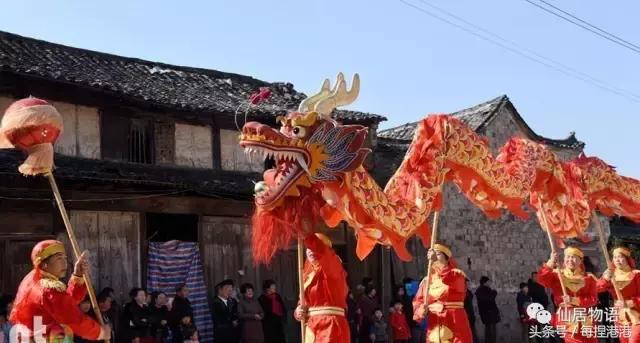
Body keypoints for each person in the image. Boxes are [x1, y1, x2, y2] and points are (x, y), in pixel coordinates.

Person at [9, 240, 109, 342]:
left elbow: (67, 303)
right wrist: (100, 332)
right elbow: (71, 316)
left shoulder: (34, 281)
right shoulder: (47, 288)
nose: (64, 263)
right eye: (59, 258)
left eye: (65, 258)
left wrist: (77, 276)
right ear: (44, 264)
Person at [294, 233, 350, 342]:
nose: (310, 250)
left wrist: (306, 234)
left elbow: (323, 252)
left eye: (312, 247)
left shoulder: (334, 267)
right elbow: (303, 303)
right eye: (307, 248)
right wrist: (298, 311)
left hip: (330, 326)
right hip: (312, 327)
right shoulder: (307, 275)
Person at [413, 243, 472, 343]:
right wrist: (421, 310)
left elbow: (450, 280)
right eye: (432, 254)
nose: (434, 257)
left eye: (438, 254)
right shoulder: (427, 281)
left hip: (453, 320)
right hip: (434, 322)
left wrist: (437, 263)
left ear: (447, 258)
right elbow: (418, 301)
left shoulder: (457, 274)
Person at [537, 246, 597, 343]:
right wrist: (551, 262)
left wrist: (573, 300)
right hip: (567, 317)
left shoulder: (589, 278)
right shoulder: (557, 275)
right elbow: (541, 279)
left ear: (580, 260)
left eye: (573, 257)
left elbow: (593, 299)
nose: (570, 260)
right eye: (567, 257)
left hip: (586, 318)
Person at [597, 246, 640, 343]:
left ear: (627, 259)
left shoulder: (637, 274)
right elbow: (596, 290)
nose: (617, 260)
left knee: (634, 339)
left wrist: (630, 302)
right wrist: (605, 279)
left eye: (620, 257)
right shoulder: (610, 275)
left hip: (637, 315)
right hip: (620, 317)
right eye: (615, 257)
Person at [475, 276, 500, 343]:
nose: (489, 283)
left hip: (488, 314)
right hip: (489, 314)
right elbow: (488, 299)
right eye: (488, 282)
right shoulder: (482, 290)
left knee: (490, 331)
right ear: (485, 282)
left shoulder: (483, 290)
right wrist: (494, 292)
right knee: (491, 332)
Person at [464, 279, 478, 343]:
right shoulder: (461, 293)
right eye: (465, 283)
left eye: (467, 283)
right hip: (465, 316)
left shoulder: (468, 292)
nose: (467, 285)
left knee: (473, 332)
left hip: (470, 316)